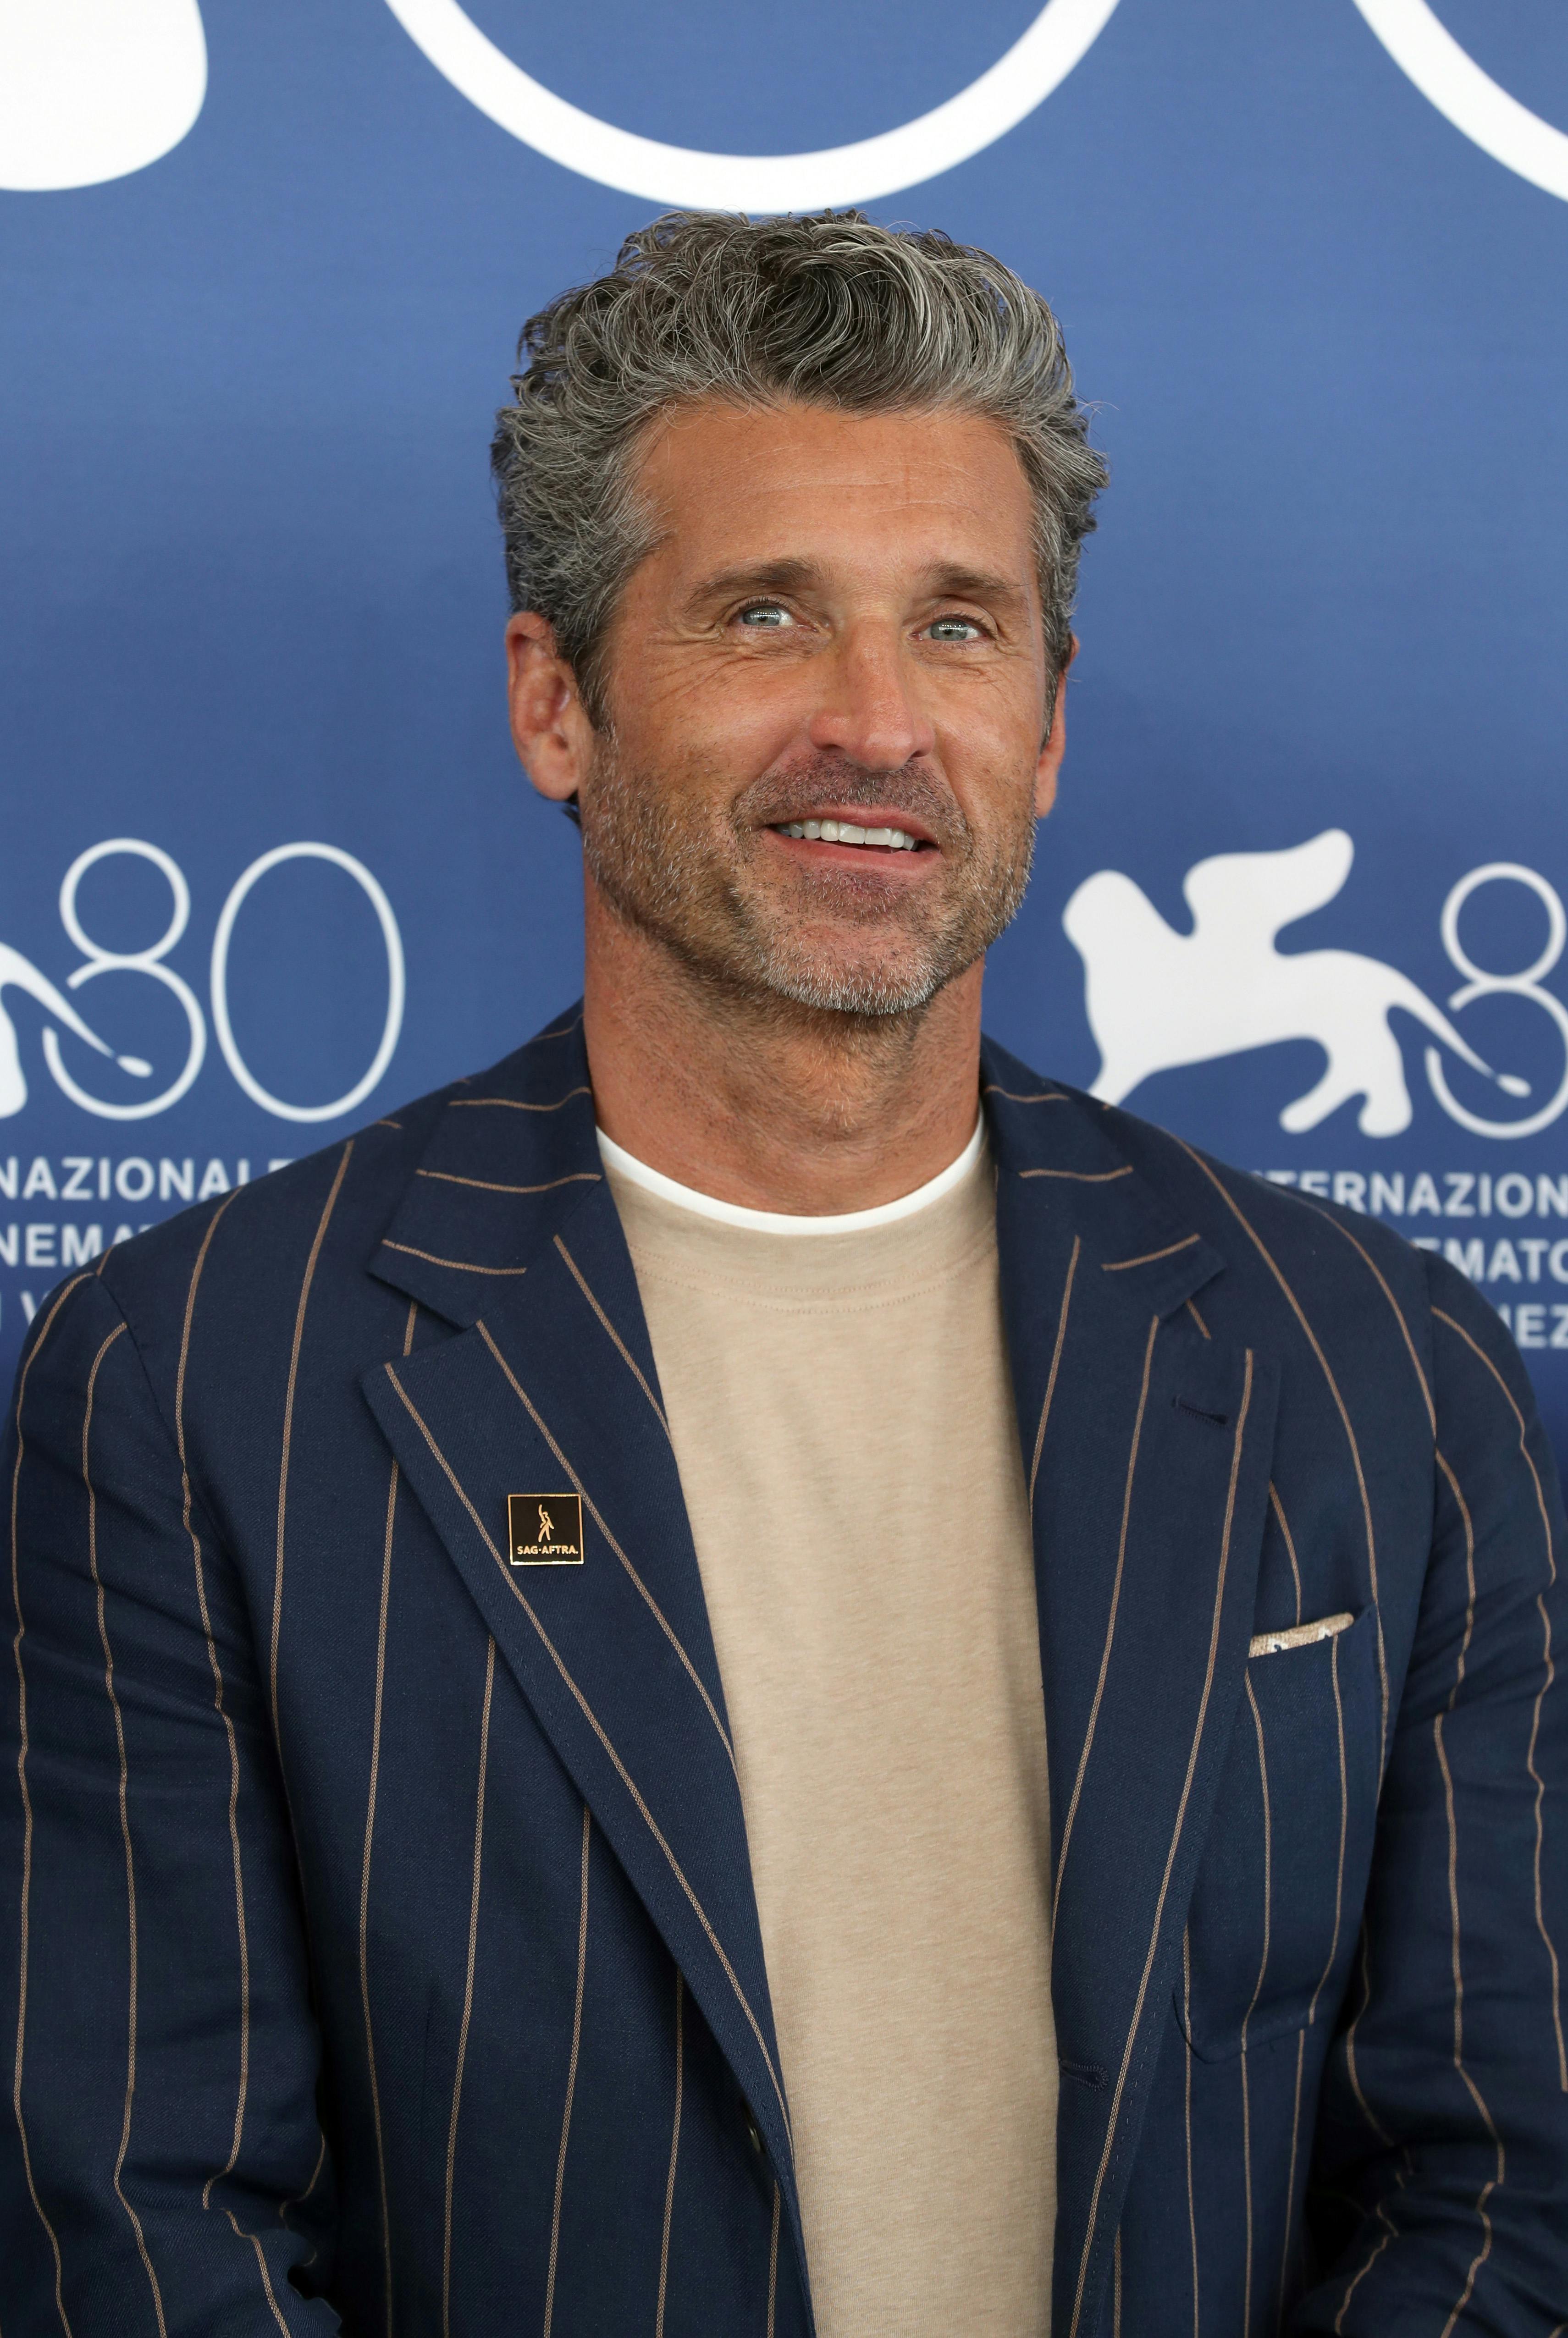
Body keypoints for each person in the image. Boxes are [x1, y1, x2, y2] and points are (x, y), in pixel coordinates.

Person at [2, 210, 1564, 2338]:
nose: (877, 723)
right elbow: (142, 2221)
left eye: (958, 628)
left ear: (1050, 718)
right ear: (558, 702)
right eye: (764, 616)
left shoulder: (1384, 1373)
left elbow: (1503, 2184)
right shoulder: (193, 1383)